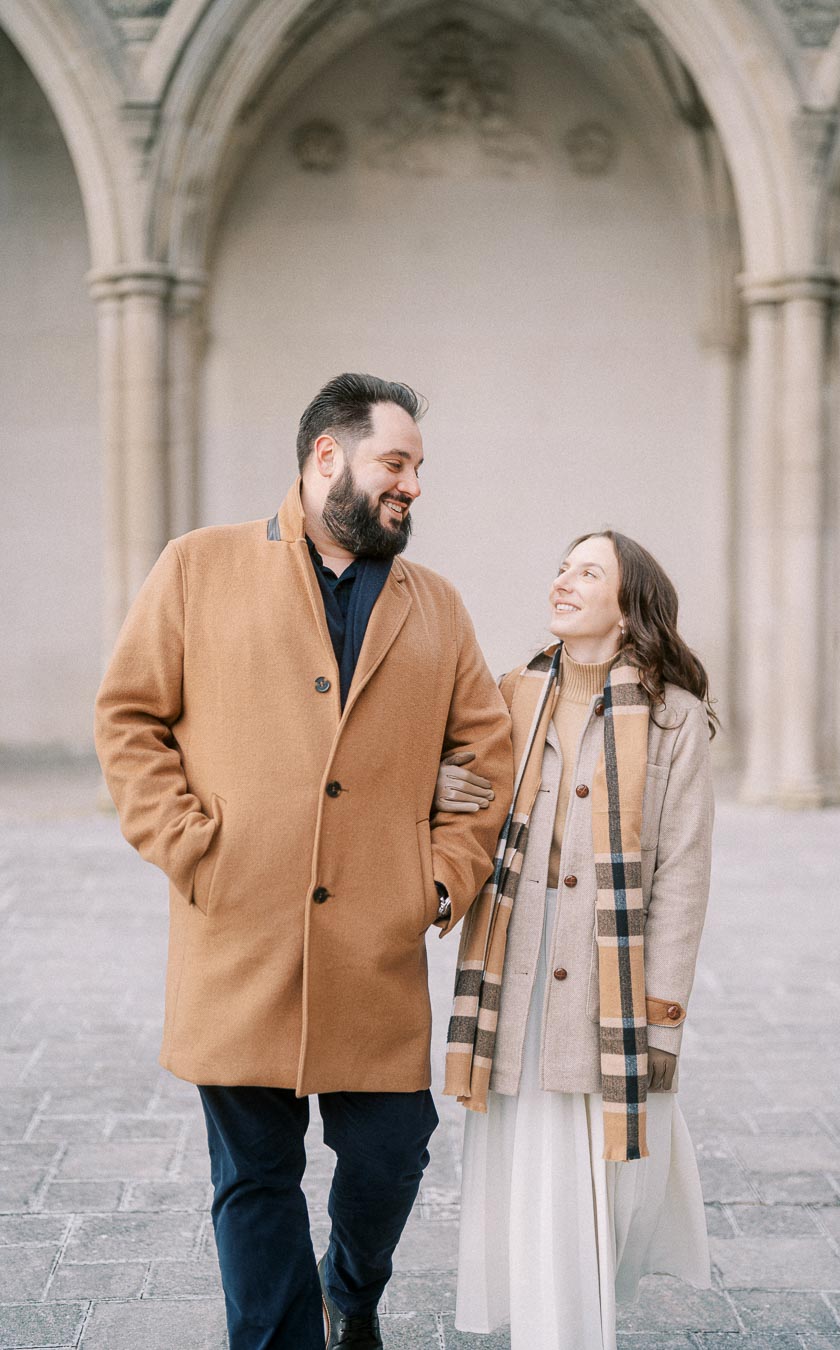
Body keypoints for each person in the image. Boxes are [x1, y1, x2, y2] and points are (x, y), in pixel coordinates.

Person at [93, 373, 514, 1350]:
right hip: (239, 939)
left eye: (418, 468)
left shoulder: (435, 604)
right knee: (253, 1179)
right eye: (395, 463)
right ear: (329, 456)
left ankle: (351, 1289)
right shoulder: (197, 567)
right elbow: (128, 720)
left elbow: (485, 757)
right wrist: (194, 850)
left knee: (392, 1153)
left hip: (375, 949)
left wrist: (437, 882)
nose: (413, 485)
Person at [438, 530, 716, 1349]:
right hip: (515, 975)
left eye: (588, 572)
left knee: (600, 1181)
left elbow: (683, 876)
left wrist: (662, 1019)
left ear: (628, 608)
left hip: (607, 988)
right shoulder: (511, 693)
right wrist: (437, 784)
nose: (563, 581)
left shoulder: (673, 718)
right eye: (562, 568)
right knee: (529, 1160)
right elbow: (465, 787)